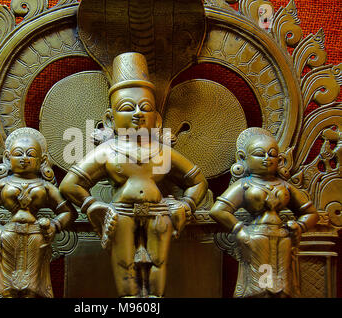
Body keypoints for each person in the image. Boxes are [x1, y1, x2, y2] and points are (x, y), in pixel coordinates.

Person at [59, 52, 208, 297]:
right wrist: (92, 206)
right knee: (124, 263)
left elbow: (197, 180)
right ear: (110, 119)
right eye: (128, 108)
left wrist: (187, 205)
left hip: (159, 213)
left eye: (145, 108)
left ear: (157, 120)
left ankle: (153, 300)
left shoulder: (161, 151)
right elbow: (70, 185)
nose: (138, 113)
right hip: (121, 214)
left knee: (158, 262)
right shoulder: (108, 151)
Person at [210, 127, 319, 297]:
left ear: (280, 158)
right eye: (260, 154)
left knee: (284, 284)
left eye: (272, 154)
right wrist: (239, 229)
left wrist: (299, 226)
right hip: (255, 238)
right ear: (243, 158)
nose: (267, 159)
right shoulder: (245, 185)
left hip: (283, 238)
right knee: (260, 285)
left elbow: (311, 213)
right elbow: (218, 210)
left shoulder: (285, 186)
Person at [0, 127, 77, 297]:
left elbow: (69, 212)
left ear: (42, 160)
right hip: (8, 236)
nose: (24, 158)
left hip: (36, 237)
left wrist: (54, 226)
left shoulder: (46, 187)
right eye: (18, 153)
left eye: (31, 154)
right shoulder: (4, 184)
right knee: (6, 285)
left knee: (34, 285)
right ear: (7, 157)